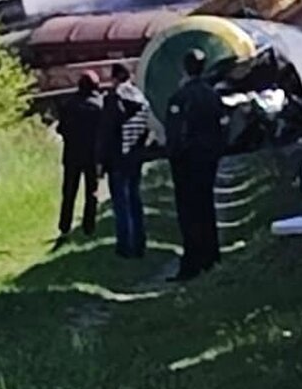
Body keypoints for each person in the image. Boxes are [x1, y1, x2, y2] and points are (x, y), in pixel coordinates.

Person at [164, 49, 229, 281]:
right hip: (208, 160)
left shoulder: (180, 98)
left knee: (189, 213)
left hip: (187, 163)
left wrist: (174, 156)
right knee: (206, 207)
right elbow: (224, 126)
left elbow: (173, 134)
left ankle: (191, 262)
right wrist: (216, 152)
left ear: (185, 68)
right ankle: (211, 257)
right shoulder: (212, 96)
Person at [97, 63, 150, 258]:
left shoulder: (114, 98)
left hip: (118, 156)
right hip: (135, 156)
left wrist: (101, 160)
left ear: (115, 77)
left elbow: (107, 131)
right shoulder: (140, 97)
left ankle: (125, 247)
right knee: (135, 199)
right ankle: (140, 242)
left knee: (121, 203)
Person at [54, 71, 103, 242]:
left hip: (72, 155)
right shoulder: (99, 106)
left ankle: (64, 226)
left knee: (69, 192)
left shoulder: (69, 105)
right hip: (92, 156)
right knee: (92, 192)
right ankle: (89, 226)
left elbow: (60, 129)